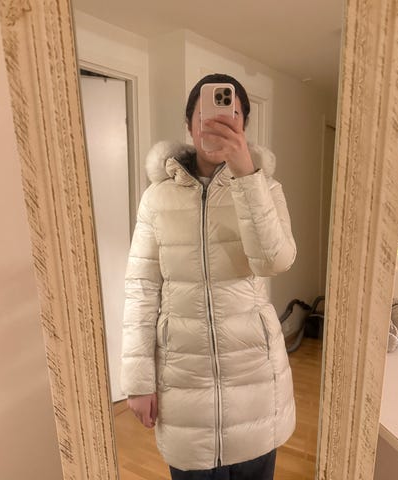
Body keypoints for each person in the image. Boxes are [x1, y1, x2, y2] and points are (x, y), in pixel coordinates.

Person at [120, 73, 297, 480]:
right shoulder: (156, 198)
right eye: (206, 117)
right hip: (184, 382)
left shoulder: (266, 188)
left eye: (230, 117)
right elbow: (141, 288)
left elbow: (275, 261)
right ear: (189, 125)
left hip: (254, 379)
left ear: (244, 125)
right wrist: (138, 380)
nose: (217, 125)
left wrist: (247, 177)